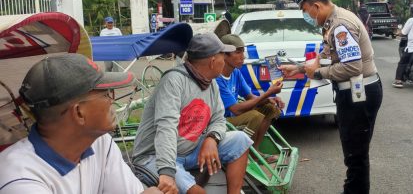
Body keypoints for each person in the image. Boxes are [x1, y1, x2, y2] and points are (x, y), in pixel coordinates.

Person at [280, 0, 383, 194]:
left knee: (356, 155)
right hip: (356, 92)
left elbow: (352, 68)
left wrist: (317, 72)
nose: (305, 15)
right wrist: (299, 68)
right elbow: (326, 55)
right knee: (354, 153)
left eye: (305, 10)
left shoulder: (340, 26)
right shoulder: (332, 22)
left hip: (359, 94)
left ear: (316, 6)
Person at [0, 53, 160, 193]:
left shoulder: (99, 143)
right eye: (106, 94)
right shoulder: (19, 179)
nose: (112, 101)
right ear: (79, 113)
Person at [132, 34, 253, 194]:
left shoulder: (211, 82)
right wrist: (167, 172)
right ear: (212, 61)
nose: (224, 61)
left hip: (191, 149)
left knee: (240, 140)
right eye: (222, 56)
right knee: (198, 192)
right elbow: (166, 128)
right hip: (155, 155)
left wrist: (212, 139)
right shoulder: (173, 81)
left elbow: (218, 118)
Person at [215, 34, 285, 163]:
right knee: (255, 115)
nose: (243, 57)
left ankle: (255, 152)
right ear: (224, 55)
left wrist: (270, 98)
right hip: (220, 122)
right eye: (238, 52)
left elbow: (251, 97)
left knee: (270, 108)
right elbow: (236, 109)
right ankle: (242, 152)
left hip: (233, 117)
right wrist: (267, 94)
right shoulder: (217, 79)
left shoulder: (235, 72)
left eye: (243, 51)